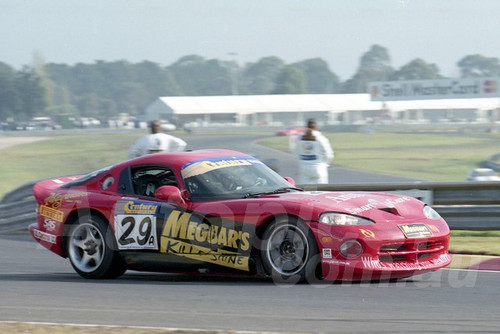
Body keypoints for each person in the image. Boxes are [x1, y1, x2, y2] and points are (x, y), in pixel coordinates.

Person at [295, 118, 334, 184]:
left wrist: (301, 162)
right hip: (319, 168)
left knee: (304, 192)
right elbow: (329, 154)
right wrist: (324, 164)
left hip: (303, 168)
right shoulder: (320, 137)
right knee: (321, 192)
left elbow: (296, 152)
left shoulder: (299, 137)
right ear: (316, 127)